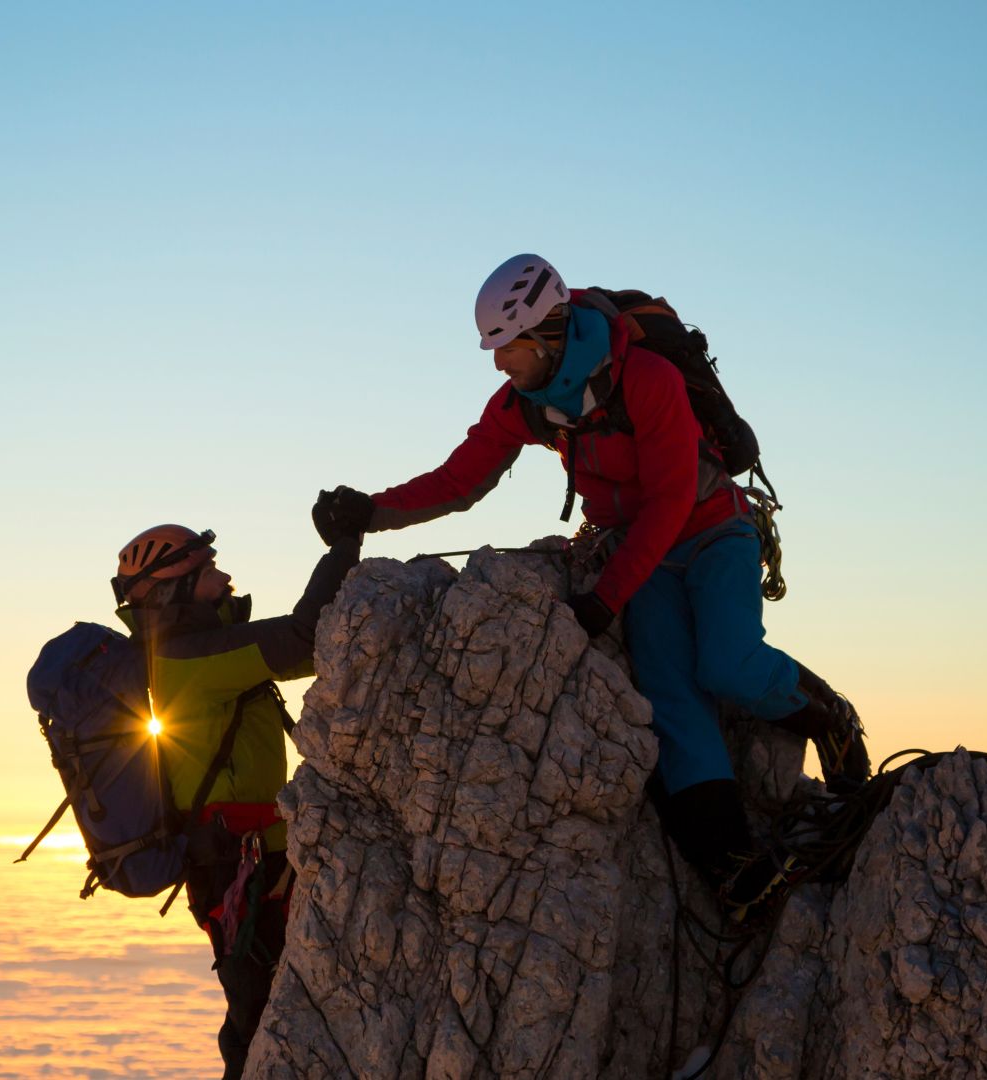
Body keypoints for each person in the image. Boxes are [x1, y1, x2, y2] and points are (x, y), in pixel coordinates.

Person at [311, 253, 871, 920]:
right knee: (671, 696)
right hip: (645, 554)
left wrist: (606, 599)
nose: (498, 363)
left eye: (508, 346)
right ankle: (733, 862)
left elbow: (670, 500)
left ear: (547, 333)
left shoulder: (648, 378)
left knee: (727, 664)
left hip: (714, 531)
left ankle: (830, 718)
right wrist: (369, 511)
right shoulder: (529, 403)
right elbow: (461, 480)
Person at [110, 522, 360, 1079]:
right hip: (240, 870)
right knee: (262, 1021)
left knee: (265, 1016)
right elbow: (305, 639)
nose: (225, 577)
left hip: (249, 862)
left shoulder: (195, 655)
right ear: (176, 590)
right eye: (207, 572)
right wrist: (346, 543)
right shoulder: (189, 660)